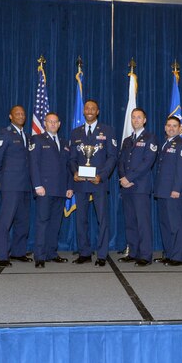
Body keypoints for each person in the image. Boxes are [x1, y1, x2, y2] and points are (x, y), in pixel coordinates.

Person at [68, 99, 118, 267]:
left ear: (97, 112)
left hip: (99, 182)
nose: (89, 111)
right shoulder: (75, 133)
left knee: (102, 219)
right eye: (87, 108)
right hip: (81, 182)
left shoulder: (108, 130)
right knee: (81, 219)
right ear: (83, 112)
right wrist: (75, 172)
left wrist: (102, 176)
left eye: (93, 108)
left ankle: (102, 254)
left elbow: (112, 157)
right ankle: (84, 252)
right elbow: (72, 158)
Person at [29, 112, 73, 267]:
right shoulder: (37, 139)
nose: (53, 124)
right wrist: (37, 185)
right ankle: (40, 256)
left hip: (61, 190)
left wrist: (69, 186)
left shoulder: (64, 142)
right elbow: (33, 164)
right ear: (45, 124)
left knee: (55, 223)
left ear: (59, 124)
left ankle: (51, 253)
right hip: (44, 189)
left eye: (55, 122)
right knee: (42, 222)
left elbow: (68, 167)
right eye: (50, 122)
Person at [0, 105, 32, 266]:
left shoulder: (27, 136)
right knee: (5, 221)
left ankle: (18, 252)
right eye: (17, 113)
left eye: (23, 113)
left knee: (23, 220)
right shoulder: (5, 134)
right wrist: (0, 180)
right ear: (10, 116)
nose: (21, 116)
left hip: (24, 185)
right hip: (10, 185)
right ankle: (1, 255)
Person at [118, 108, 158, 266]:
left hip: (140, 187)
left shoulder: (151, 138)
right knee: (130, 222)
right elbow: (121, 162)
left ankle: (145, 255)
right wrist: (122, 178)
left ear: (145, 120)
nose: (135, 120)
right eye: (133, 117)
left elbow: (147, 162)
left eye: (139, 117)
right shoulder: (127, 140)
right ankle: (133, 252)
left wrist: (129, 177)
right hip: (126, 187)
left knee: (143, 222)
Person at [154, 116, 182, 266]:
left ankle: (178, 256)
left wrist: (176, 189)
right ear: (165, 127)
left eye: (174, 126)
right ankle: (169, 253)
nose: (171, 128)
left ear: (180, 128)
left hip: (173, 192)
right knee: (165, 224)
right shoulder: (165, 144)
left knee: (175, 224)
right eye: (169, 125)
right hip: (162, 191)